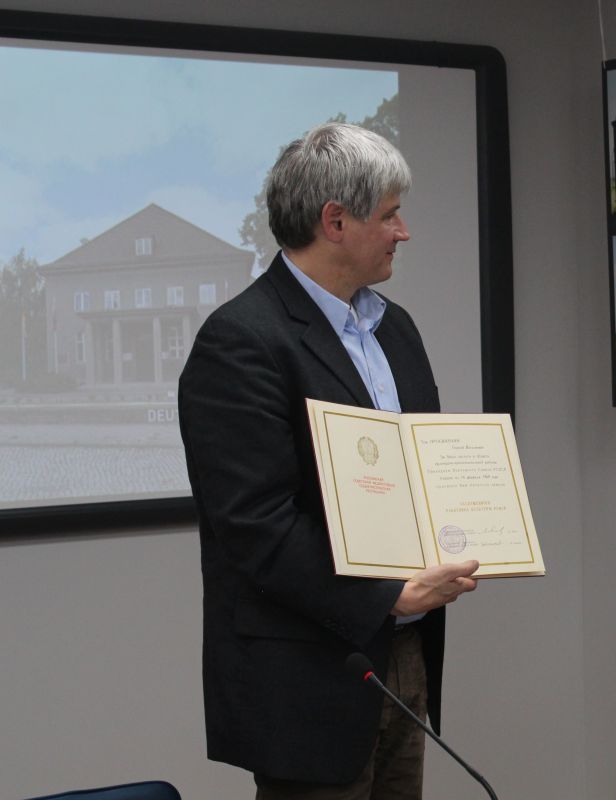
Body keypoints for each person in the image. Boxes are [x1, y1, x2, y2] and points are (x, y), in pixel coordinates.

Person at [179, 122, 479, 800]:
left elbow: (418, 472)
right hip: (308, 674)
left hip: (405, 653)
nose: (404, 231)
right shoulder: (241, 340)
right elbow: (254, 523)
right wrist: (385, 595)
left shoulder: (393, 327)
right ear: (335, 221)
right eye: (390, 215)